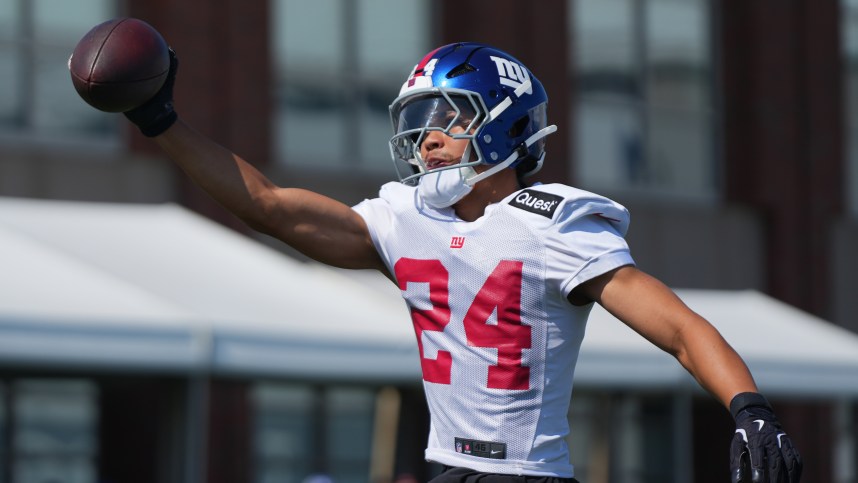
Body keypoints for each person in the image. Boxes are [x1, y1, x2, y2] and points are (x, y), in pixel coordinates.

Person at [117, 42, 802, 482]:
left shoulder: (556, 221)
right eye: (420, 116)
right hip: (443, 467)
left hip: (529, 475)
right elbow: (267, 205)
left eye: (451, 114)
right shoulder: (404, 218)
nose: (428, 135)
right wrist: (161, 122)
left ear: (503, 124)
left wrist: (749, 406)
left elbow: (679, 326)